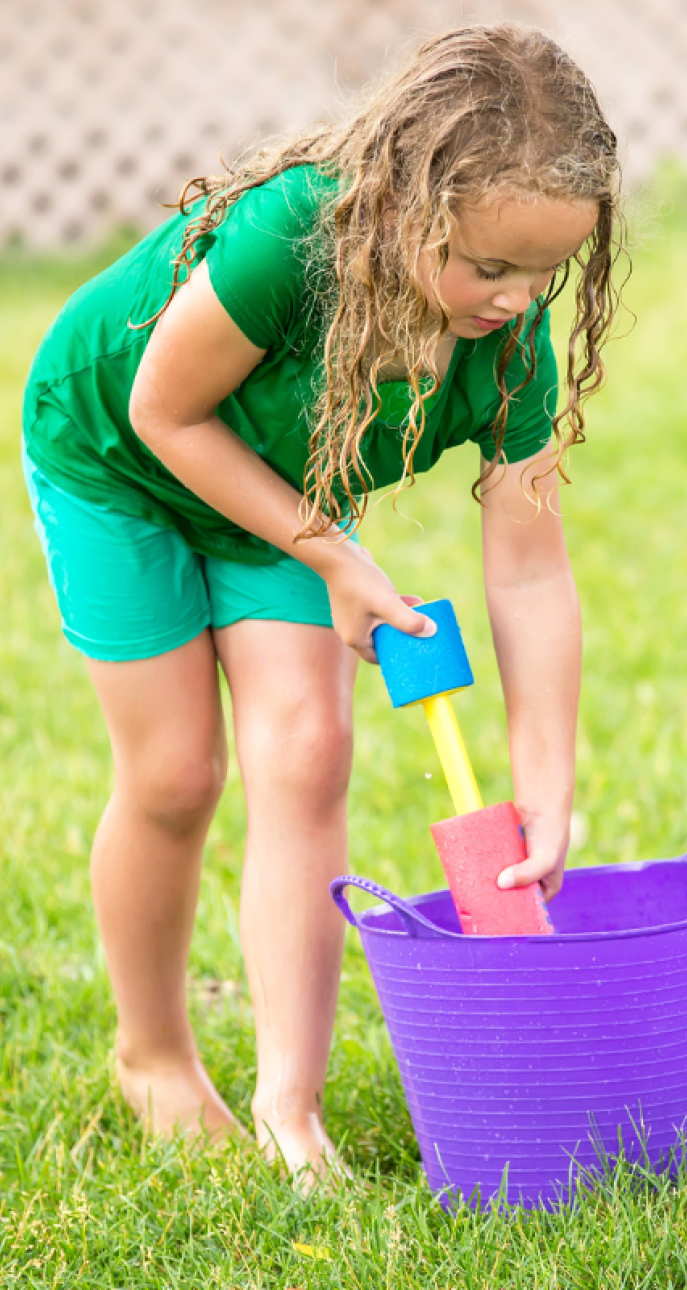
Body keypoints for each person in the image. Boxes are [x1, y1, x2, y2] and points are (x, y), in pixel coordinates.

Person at [21, 22, 624, 1184]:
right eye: (488, 267)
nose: (516, 300)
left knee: (305, 749)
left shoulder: (512, 348)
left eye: (544, 274)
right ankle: (152, 1053)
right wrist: (340, 560)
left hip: (284, 488)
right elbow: (168, 415)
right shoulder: (287, 239)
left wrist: (545, 791)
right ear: (404, 208)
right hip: (123, 453)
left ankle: (289, 1109)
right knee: (176, 774)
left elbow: (531, 570)